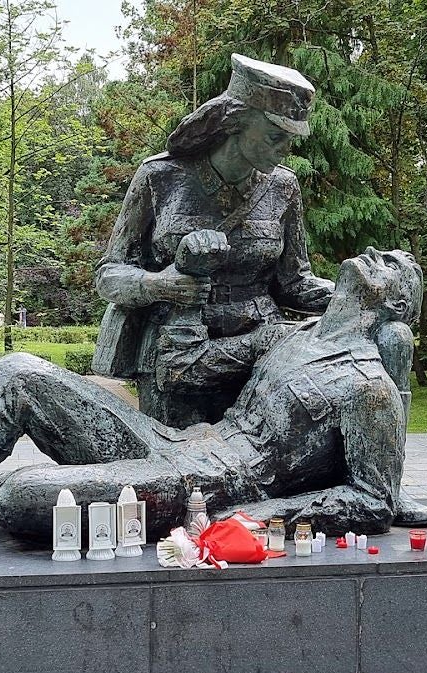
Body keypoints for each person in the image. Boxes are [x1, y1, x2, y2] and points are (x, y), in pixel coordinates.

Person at [0, 249, 425, 540]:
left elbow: (372, 496)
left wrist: (261, 517)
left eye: (399, 266)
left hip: (213, 486)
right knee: (19, 371)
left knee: (21, 503)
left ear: (395, 304)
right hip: (176, 442)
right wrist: (188, 285)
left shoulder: (369, 384)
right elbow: (187, 365)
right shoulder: (291, 336)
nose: (384, 255)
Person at [92, 54, 334, 428]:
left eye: (290, 138)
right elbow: (108, 275)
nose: (286, 148)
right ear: (236, 122)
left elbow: (294, 283)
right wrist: (158, 284)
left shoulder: (284, 187)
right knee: (181, 470)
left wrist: (352, 295)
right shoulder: (160, 176)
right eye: (276, 135)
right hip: (177, 352)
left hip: (260, 351)